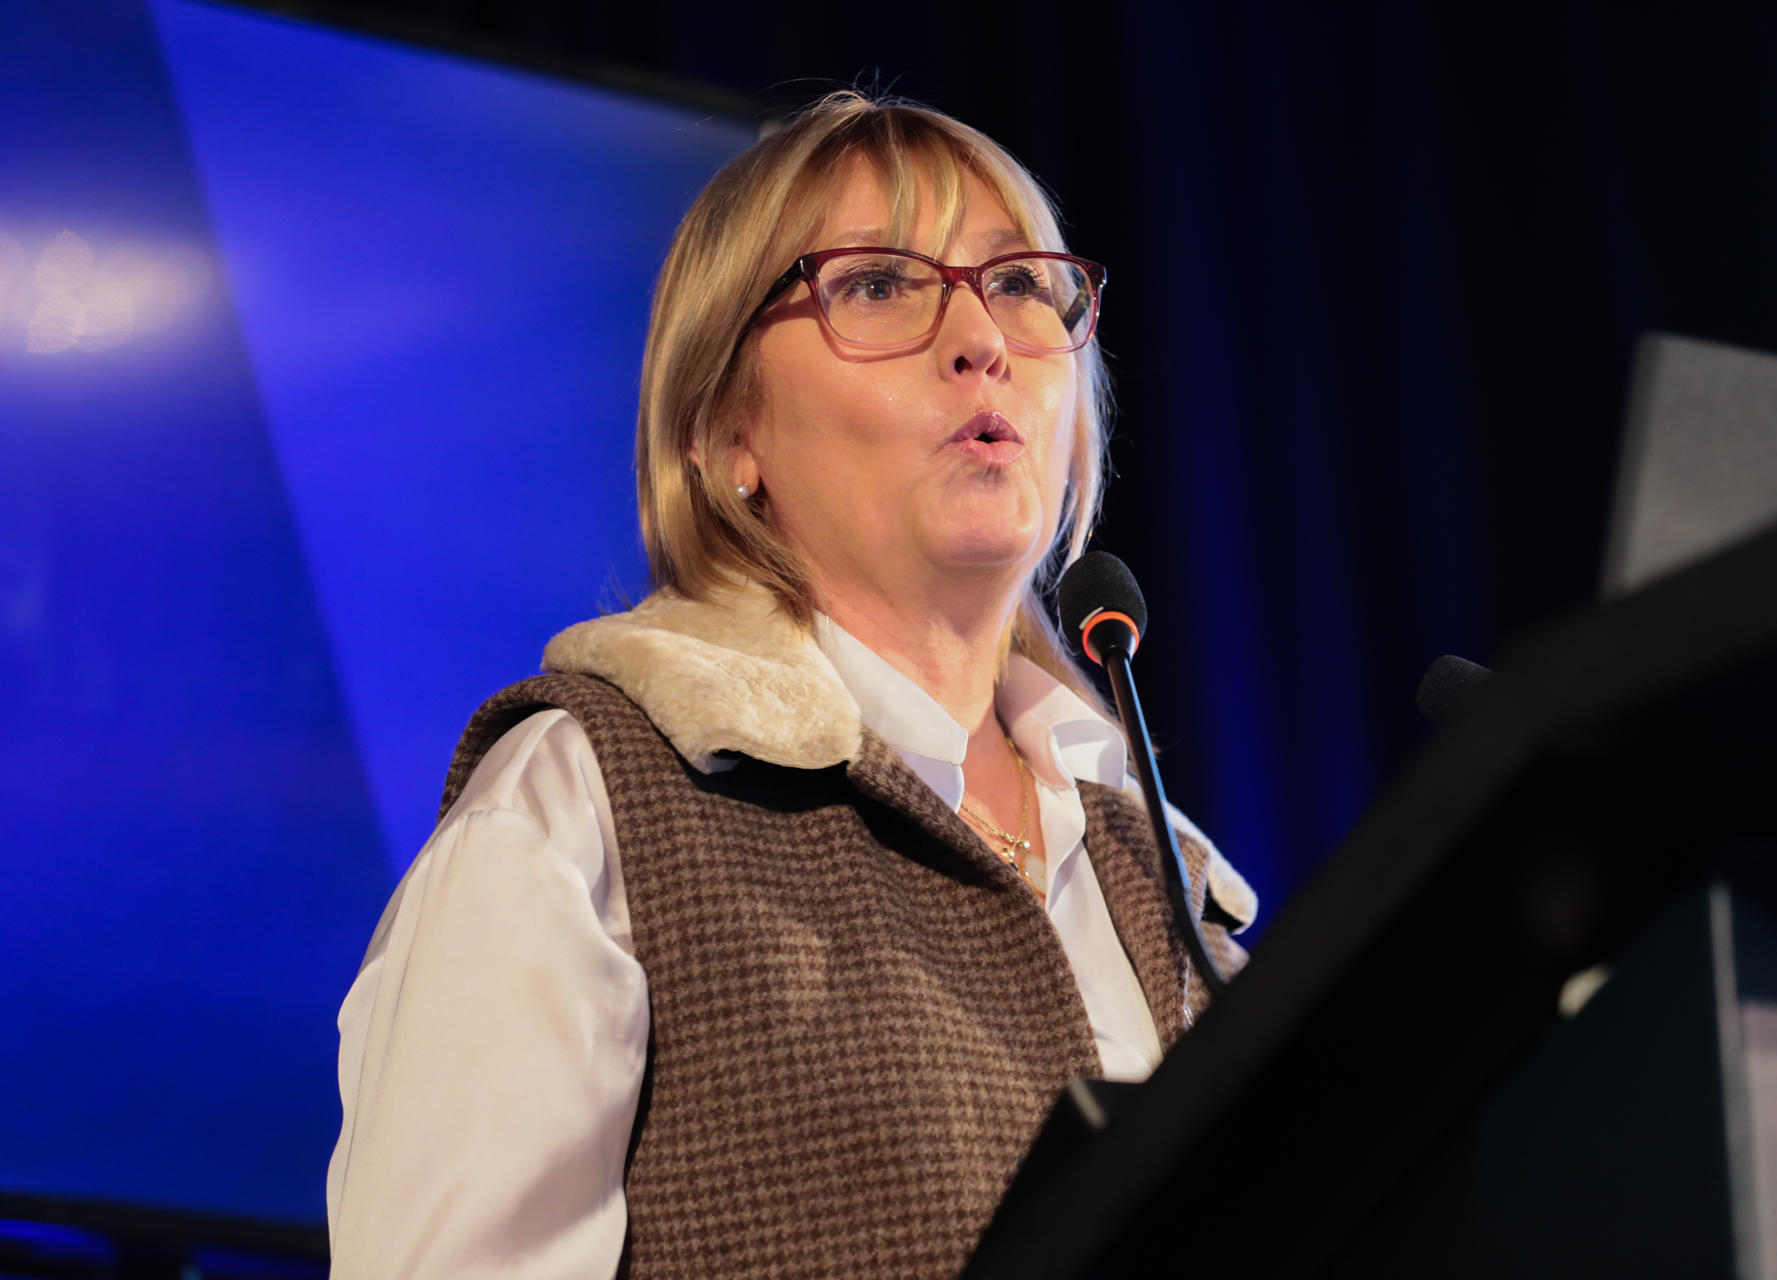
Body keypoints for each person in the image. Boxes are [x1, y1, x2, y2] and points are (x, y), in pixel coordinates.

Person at [326, 90, 1256, 1279]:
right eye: (878, 284)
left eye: (1019, 283)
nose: (982, 338)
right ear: (727, 435)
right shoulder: (584, 803)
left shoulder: (1169, 876)